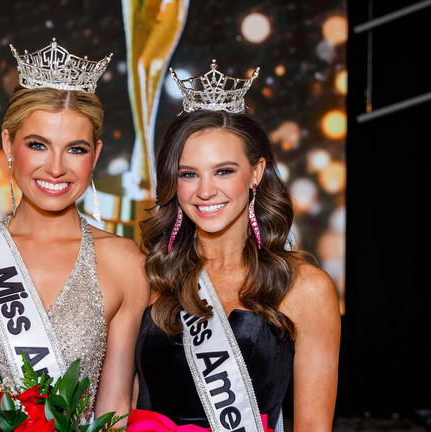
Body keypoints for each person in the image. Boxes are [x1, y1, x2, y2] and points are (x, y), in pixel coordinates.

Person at [0, 39, 149, 423]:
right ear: (8, 143)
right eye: (38, 145)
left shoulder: (124, 263)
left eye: (75, 149)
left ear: (97, 154)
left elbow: (115, 411)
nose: (56, 167)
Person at [131, 61, 341, 432]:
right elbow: (124, 403)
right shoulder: (149, 276)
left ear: (256, 172)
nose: (206, 190)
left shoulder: (306, 288)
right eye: (189, 174)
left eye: (223, 171)